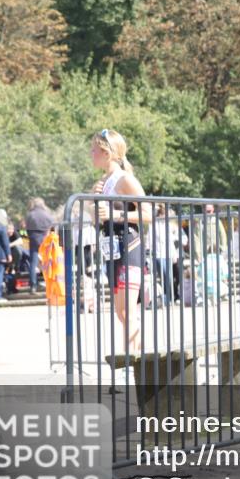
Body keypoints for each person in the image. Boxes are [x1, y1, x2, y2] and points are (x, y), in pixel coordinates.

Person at [90, 129, 151, 349]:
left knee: (127, 311)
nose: (91, 153)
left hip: (129, 245)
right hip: (112, 248)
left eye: (94, 149)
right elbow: (96, 220)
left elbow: (148, 214)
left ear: (107, 152)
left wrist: (116, 214)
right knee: (121, 312)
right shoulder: (102, 182)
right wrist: (93, 202)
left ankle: (135, 364)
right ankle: (137, 362)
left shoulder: (125, 179)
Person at [25, 197, 56, 293]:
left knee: (33, 263)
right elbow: (53, 227)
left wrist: (31, 237)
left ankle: (33, 286)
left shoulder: (30, 215)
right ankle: (50, 283)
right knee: (48, 262)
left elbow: (27, 229)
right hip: (46, 239)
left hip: (34, 239)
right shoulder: (47, 214)